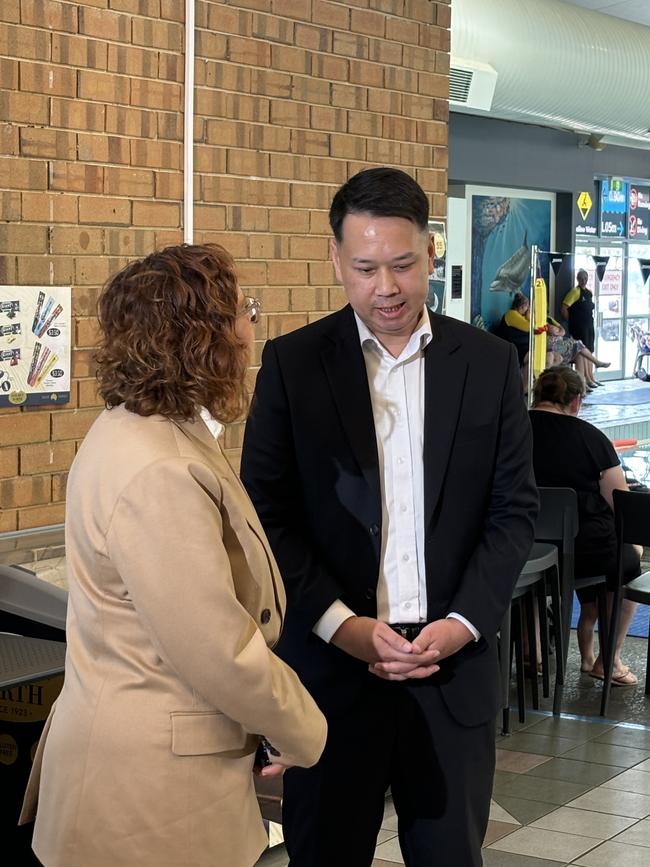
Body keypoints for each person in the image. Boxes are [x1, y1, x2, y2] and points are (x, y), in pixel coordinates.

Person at [241, 167, 538, 867]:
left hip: (451, 680)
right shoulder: (293, 365)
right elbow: (266, 516)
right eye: (367, 267)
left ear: (431, 253)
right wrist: (342, 626)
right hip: (332, 682)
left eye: (404, 265)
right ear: (336, 260)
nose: (387, 288)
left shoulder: (490, 364)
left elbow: (513, 510)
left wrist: (463, 621)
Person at [19, 244, 327, 867]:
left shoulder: (136, 430)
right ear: (204, 338)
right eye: (243, 311)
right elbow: (217, 649)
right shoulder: (160, 467)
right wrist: (303, 728)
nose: (250, 328)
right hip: (151, 796)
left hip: (143, 772)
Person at [530, 366, 641, 686]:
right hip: (585, 550)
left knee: (523, 569)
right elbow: (620, 503)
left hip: (522, 548)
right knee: (628, 561)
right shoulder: (592, 438)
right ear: (576, 401)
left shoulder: (510, 429)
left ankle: (532, 653)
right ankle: (609, 661)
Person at [493, 291, 556, 387]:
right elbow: (530, 327)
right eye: (527, 308)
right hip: (513, 348)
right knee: (535, 359)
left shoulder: (519, 316)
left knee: (552, 357)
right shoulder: (511, 314)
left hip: (523, 347)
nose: (528, 310)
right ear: (522, 307)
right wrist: (529, 316)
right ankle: (523, 388)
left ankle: (537, 385)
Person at [546, 319, 611, 389]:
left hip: (563, 348)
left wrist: (557, 328)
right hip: (556, 349)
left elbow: (563, 331)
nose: (553, 327)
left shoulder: (552, 322)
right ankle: (596, 362)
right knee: (578, 344)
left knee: (579, 355)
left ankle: (582, 384)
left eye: (553, 327)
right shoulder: (546, 332)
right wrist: (551, 329)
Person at [562, 269, 597, 383]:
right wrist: (572, 321)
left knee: (590, 350)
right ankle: (586, 379)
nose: (583, 280)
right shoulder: (575, 292)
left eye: (585, 278)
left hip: (589, 325)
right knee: (583, 350)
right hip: (579, 327)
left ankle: (591, 377)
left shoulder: (589, 292)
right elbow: (564, 308)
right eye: (581, 278)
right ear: (577, 279)